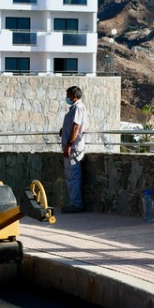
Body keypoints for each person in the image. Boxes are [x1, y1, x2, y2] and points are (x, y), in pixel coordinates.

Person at [60, 85, 88, 213]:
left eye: (68, 96)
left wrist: (69, 145)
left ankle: (76, 204)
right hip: (72, 147)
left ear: (74, 96)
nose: (67, 98)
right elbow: (72, 125)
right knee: (71, 176)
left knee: (73, 177)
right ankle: (75, 203)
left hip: (73, 148)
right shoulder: (75, 108)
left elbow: (76, 127)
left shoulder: (78, 108)